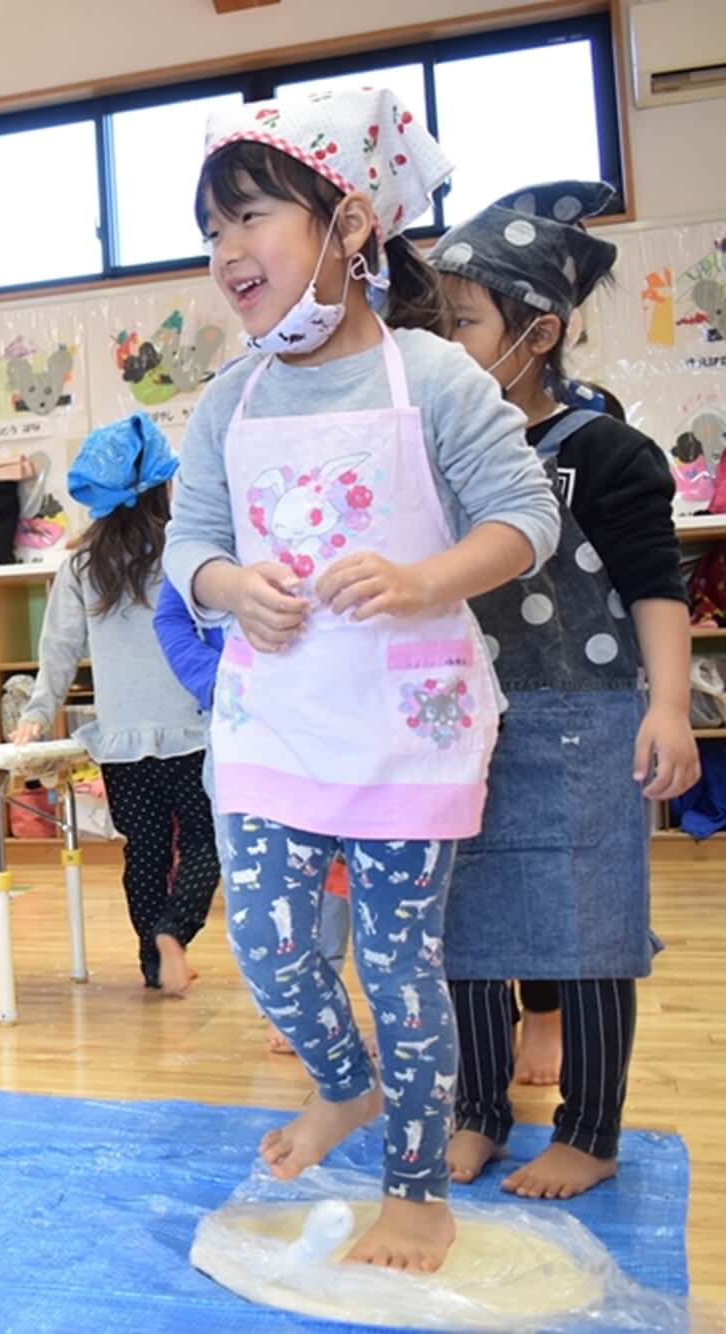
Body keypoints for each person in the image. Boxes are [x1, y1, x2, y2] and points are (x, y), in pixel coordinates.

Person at [163, 89, 561, 1270]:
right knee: (268, 942)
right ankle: (341, 1085)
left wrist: (428, 577)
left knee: (396, 962)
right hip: (270, 717)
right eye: (210, 230)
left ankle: (415, 1190)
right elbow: (189, 542)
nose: (227, 249)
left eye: (248, 216)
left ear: (345, 224)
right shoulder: (226, 398)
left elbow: (524, 515)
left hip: (404, 723)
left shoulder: (429, 374)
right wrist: (228, 588)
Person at [430, 180, 700, 1198]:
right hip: (462, 721)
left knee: (587, 929)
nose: (442, 340)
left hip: (585, 723)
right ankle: (476, 1109)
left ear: (535, 332)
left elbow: (652, 589)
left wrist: (667, 706)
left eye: (461, 321)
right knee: (462, 925)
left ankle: (587, 1129)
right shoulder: (443, 452)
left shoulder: (603, 452)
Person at [11, 413, 216, 995]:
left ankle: (154, 963)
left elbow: (59, 648)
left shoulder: (80, 564)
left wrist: (35, 711)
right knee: (207, 843)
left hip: (123, 742)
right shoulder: (184, 549)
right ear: (161, 485)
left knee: (144, 855)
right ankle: (176, 930)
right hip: (193, 731)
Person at [152, 575, 351, 1048]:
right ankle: (283, 1008)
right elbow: (172, 617)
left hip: (336, 716)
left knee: (334, 882)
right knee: (258, 877)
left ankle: (316, 1003)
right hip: (240, 723)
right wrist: (217, 680)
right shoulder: (208, 529)